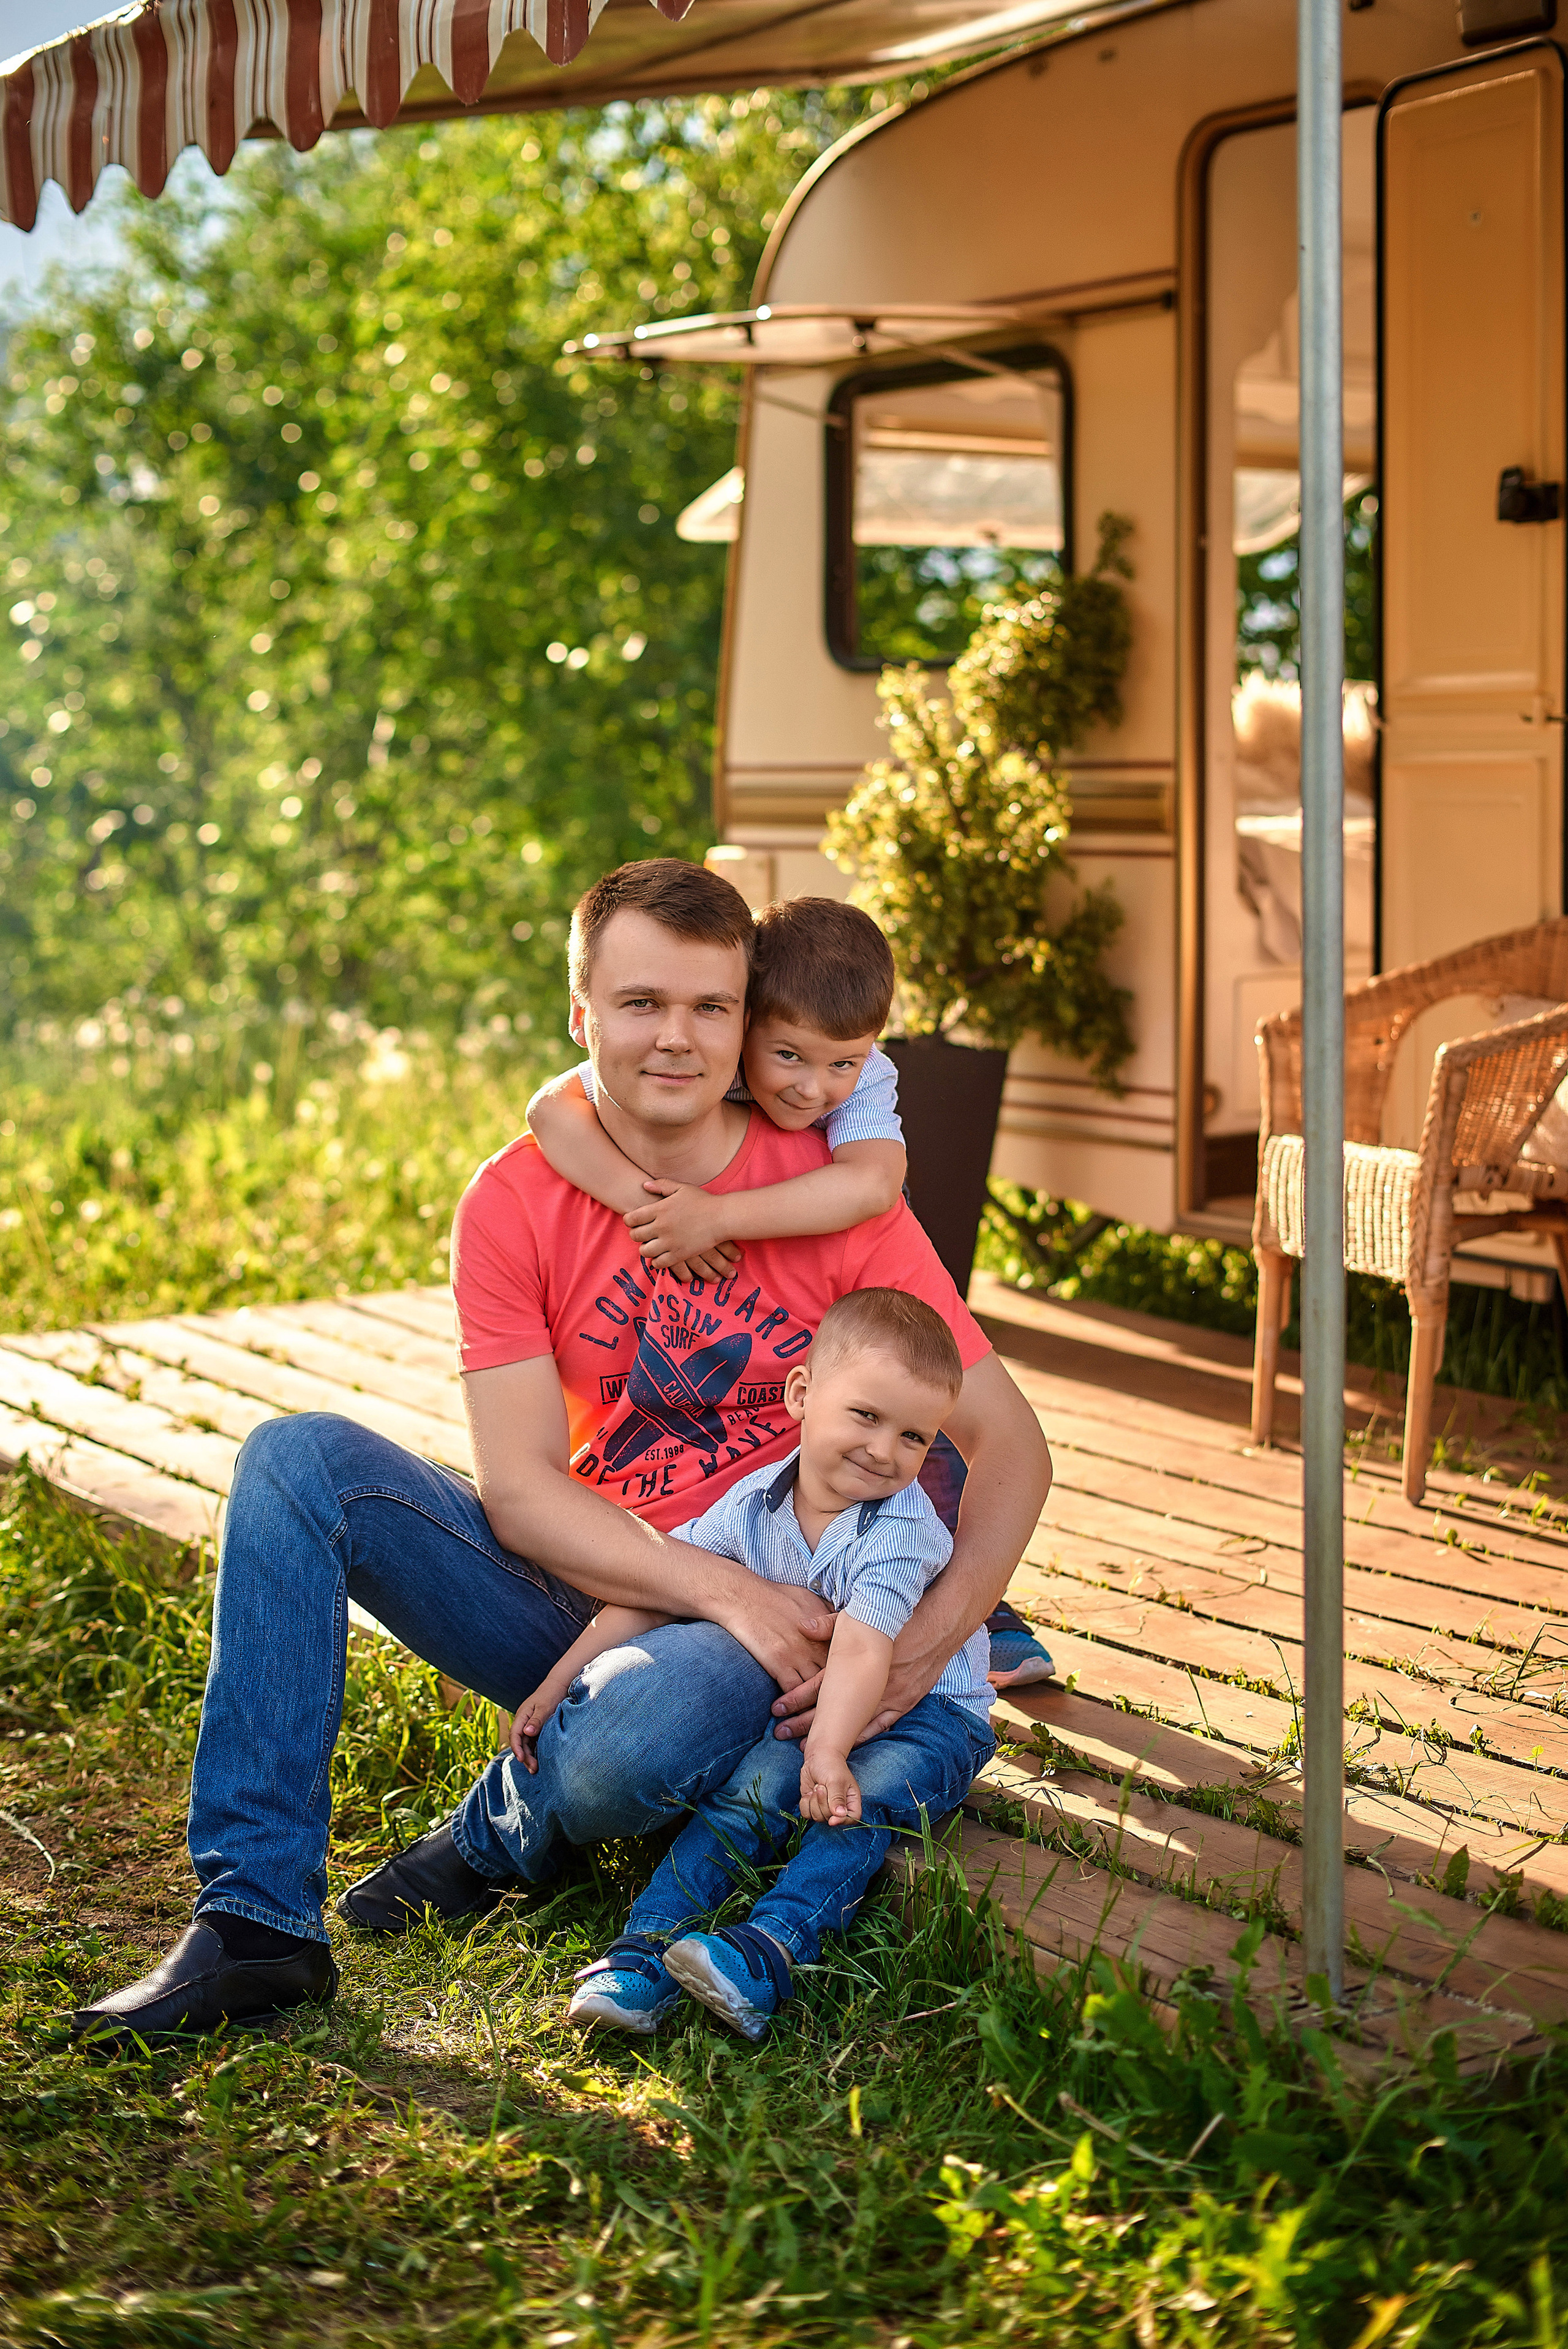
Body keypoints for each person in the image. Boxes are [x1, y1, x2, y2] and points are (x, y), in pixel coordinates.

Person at [70, 858, 1052, 2046]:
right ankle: (259, 1924)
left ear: (748, 1021)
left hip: (785, 1627)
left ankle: (507, 1822)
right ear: (580, 1014)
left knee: (616, 1755)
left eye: (710, 1007)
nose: (676, 1040)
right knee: (295, 1460)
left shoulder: (831, 1196)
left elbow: (1009, 1449)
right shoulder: (515, 1200)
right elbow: (522, 1490)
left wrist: (917, 1648)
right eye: (640, 1004)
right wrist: (713, 1585)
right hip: (614, 1585)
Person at [526, 891, 1053, 1691]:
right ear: (749, 1029)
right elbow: (550, 1109)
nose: (813, 1089)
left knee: (908, 1426)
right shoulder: (707, 1055)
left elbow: (873, 1185)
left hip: (859, 1277)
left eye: (840, 1061)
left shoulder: (862, 1082)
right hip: (719, 1506)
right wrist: (649, 1206)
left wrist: (718, 1216)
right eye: (791, 1059)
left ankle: (963, 1599)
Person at [549, 1288, 993, 2042]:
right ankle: (643, 1953)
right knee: (748, 1790)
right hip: (827, 1706)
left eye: (915, 1436)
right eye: (866, 1416)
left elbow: (862, 1645)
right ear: (801, 1394)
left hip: (929, 1712)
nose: (886, 1451)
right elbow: (661, 1584)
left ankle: (768, 1951)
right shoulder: (752, 1501)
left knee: (864, 1797)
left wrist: (827, 1751)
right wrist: (562, 1678)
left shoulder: (900, 1528)